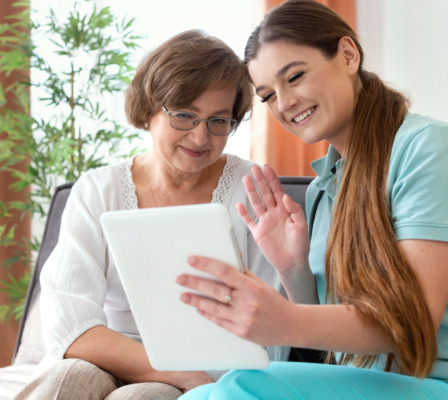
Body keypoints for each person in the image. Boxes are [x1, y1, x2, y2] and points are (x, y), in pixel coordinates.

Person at [175, 1, 448, 399]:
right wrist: (293, 268)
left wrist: (283, 320)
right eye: (268, 95)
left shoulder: (430, 149)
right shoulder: (324, 186)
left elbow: (412, 322)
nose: (285, 103)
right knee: (197, 396)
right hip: (377, 384)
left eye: (294, 76)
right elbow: (341, 347)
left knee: (239, 388)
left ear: (347, 55)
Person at [15, 29, 289, 400]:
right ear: (149, 109)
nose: (199, 137)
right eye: (184, 115)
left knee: (141, 397)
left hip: (206, 369)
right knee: (69, 380)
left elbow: (272, 333)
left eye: (218, 121)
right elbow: (69, 325)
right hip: (104, 355)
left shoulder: (251, 189)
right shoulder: (97, 191)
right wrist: (174, 371)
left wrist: (191, 376)